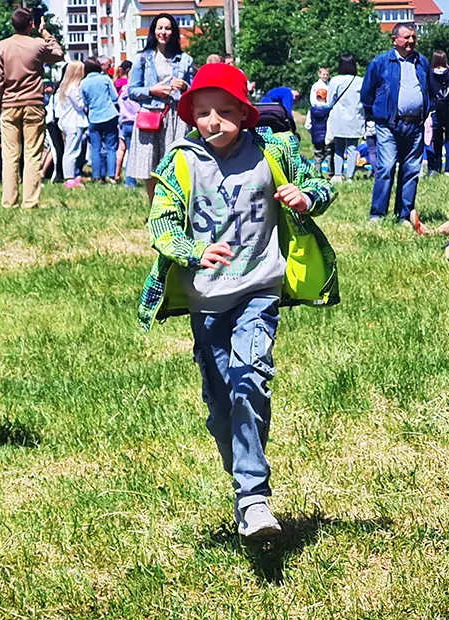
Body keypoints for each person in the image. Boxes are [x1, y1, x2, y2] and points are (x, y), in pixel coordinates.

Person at [137, 62, 338, 538]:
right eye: (203, 112)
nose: (213, 122)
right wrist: (194, 250)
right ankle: (241, 463)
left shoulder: (275, 150)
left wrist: (306, 197)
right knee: (222, 403)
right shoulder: (180, 161)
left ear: (245, 114)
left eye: (225, 111)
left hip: (258, 289)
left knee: (250, 381)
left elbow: (322, 183)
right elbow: (160, 224)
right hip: (207, 299)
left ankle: (253, 496)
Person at [360, 22, 430, 228]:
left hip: (415, 126)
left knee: (411, 170)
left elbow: (428, 91)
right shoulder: (380, 62)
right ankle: (377, 215)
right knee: (386, 167)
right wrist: (376, 115)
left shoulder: (422, 62)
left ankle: (404, 215)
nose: (411, 41)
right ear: (394, 40)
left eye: (413, 37)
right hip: (388, 125)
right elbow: (367, 93)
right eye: (406, 37)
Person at [0, 9, 63, 209]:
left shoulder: (2, 46)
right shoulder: (38, 45)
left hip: (9, 105)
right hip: (34, 104)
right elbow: (58, 54)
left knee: (10, 154)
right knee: (32, 154)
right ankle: (30, 202)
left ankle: (9, 201)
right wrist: (45, 33)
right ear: (31, 24)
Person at [127, 13, 194, 203]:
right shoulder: (142, 59)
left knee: (175, 163)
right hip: (151, 115)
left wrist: (185, 87)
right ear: (153, 30)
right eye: (159, 28)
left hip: (176, 117)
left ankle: (174, 206)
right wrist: (152, 90)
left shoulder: (184, 60)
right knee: (150, 165)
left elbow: (193, 90)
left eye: (167, 28)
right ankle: (154, 208)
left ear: (173, 32)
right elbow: (132, 91)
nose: (163, 32)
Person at [81, 57, 118, 183]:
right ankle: (112, 176)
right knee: (111, 147)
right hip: (109, 115)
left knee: (95, 148)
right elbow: (115, 96)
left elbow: (85, 102)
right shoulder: (105, 79)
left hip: (94, 117)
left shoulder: (83, 83)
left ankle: (97, 176)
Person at [328, 54, 364, 182]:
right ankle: (350, 176)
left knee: (338, 147)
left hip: (339, 117)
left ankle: (338, 174)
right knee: (352, 148)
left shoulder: (335, 80)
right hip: (356, 117)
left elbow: (330, 101)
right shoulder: (360, 80)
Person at [56, 61, 88, 188]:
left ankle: (70, 176)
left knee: (70, 150)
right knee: (72, 151)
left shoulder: (64, 87)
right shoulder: (74, 88)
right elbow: (80, 105)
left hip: (67, 121)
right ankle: (69, 178)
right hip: (74, 122)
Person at [427, 50, 449, 176]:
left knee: (437, 140)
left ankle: (437, 166)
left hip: (436, 110)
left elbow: (428, 92)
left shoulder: (429, 75)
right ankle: (448, 169)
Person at [116, 61, 139, 187]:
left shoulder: (123, 89)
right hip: (136, 122)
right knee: (133, 152)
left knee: (125, 150)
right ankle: (130, 181)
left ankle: (122, 176)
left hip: (124, 123)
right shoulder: (136, 92)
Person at [307, 89, 329, 173]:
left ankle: (317, 172)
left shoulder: (312, 110)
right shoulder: (329, 109)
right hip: (327, 136)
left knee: (318, 155)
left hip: (316, 136)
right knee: (329, 155)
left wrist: (312, 132)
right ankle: (330, 173)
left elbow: (307, 125)